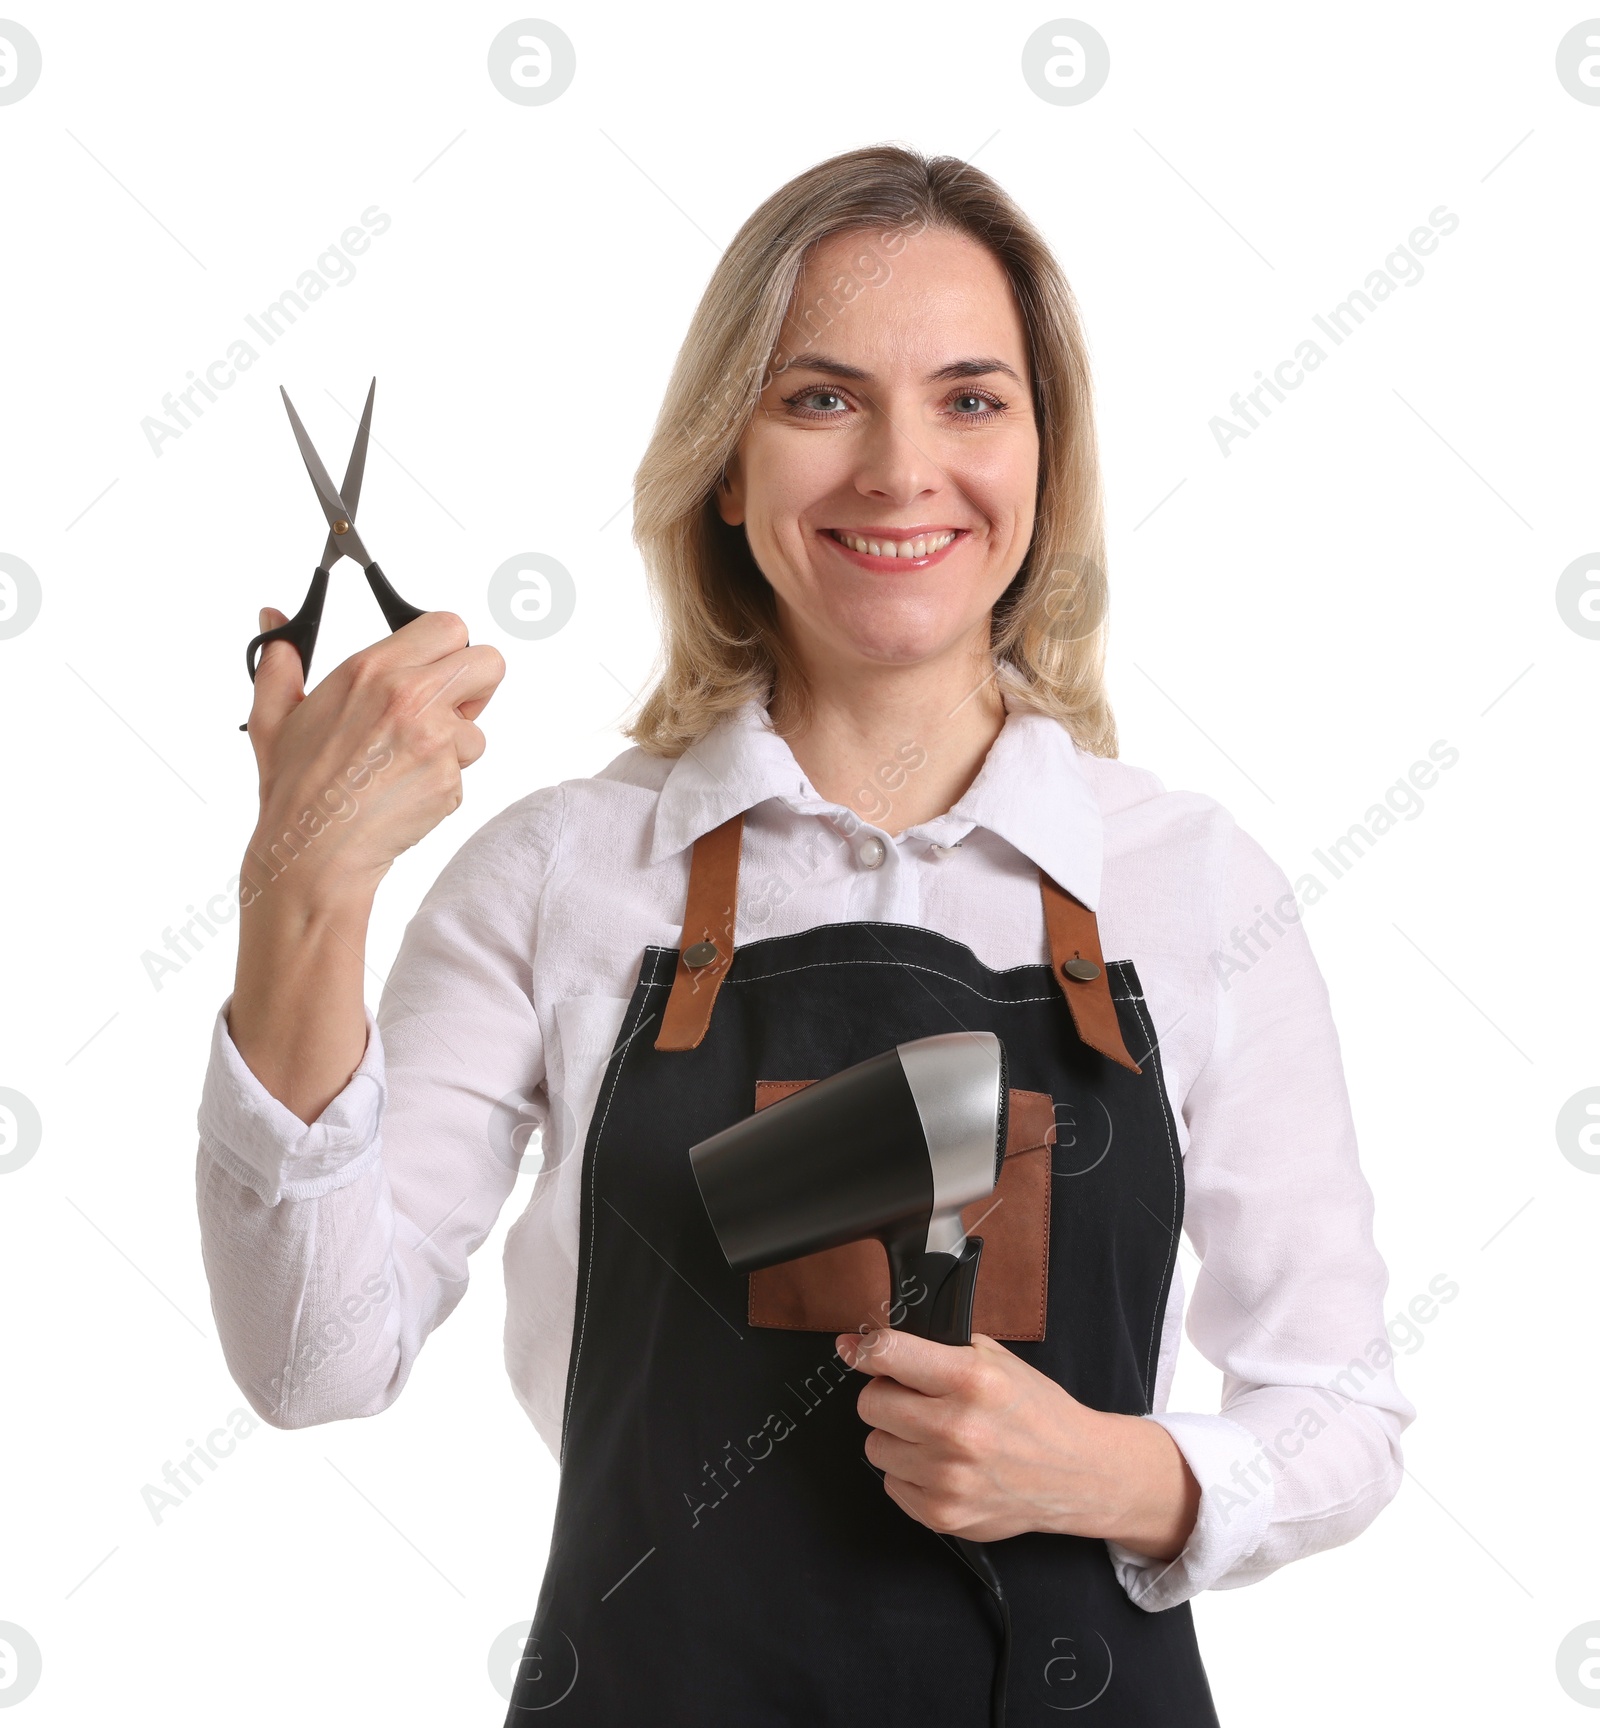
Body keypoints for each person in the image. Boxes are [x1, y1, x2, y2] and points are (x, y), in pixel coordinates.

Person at [197, 145, 1415, 1726]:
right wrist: (303, 893)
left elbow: (1345, 1413)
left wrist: (1119, 1470)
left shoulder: (1191, 885)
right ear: (725, 460)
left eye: (972, 398)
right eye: (821, 398)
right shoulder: (564, 874)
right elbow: (313, 1367)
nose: (902, 470)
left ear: (1047, 457)